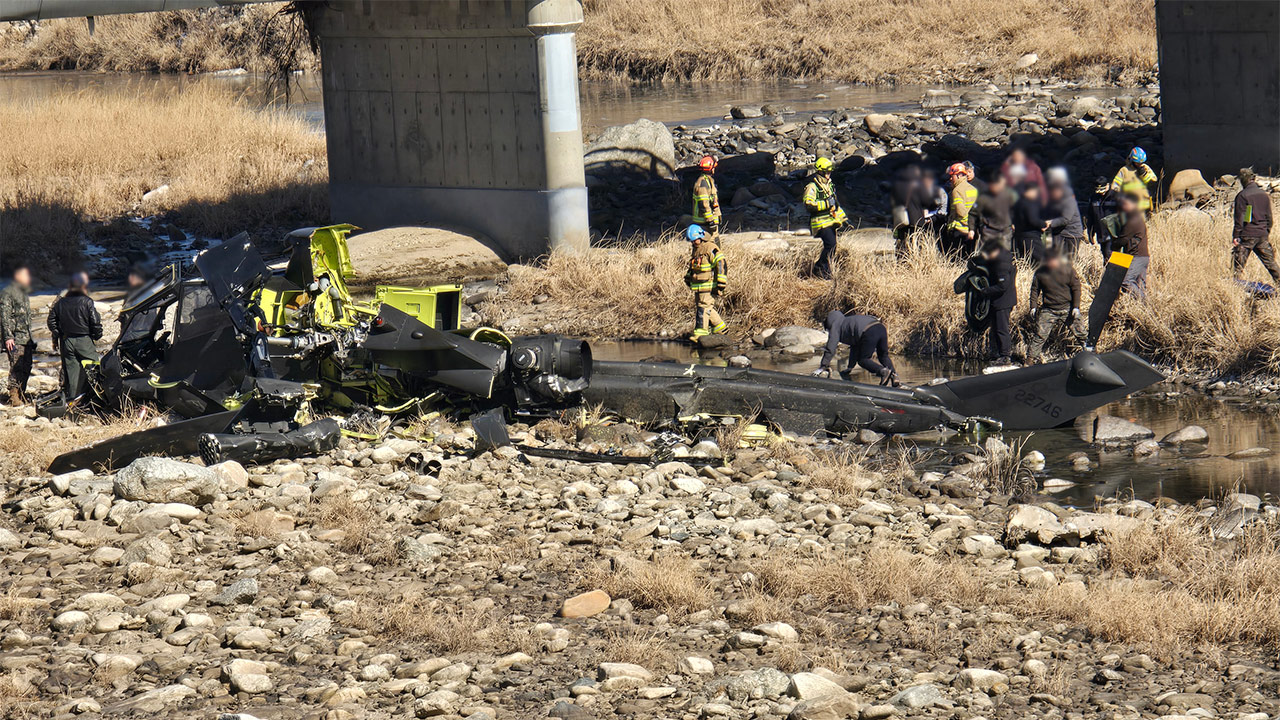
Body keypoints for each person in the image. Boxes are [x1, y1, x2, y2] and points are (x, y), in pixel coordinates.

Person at [47, 272, 102, 401]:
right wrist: (97, 335)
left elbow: (51, 321)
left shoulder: (60, 303)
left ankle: (73, 401)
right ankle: (97, 398)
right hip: (84, 340)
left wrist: (59, 333)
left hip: (67, 341)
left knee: (72, 373)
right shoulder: (87, 301)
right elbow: (95, 322)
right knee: (94, 368)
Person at [1025, 251, 1086, 363]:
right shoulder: (1040, 273)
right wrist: (1033, 306)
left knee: (1081, 333)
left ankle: (1092, 353)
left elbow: (1076, 288)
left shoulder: (1068, 270)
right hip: (1048, 310)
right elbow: (1035, 289)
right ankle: (1030, 360)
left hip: (1067, 308)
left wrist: (1076, 307)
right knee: (1040, 335)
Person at [811, 311, 898, 386]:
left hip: (869, 331)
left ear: (829, 323)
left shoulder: (835, 326)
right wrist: (850, 367)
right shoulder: (847, 322)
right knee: (883, 356)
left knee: (863, 360)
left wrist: (822, 366)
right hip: (880, 328)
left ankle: (882, 371)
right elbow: (855, 347)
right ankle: (895, 377)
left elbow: (830, 348)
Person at [1231, 167, 1278, 283]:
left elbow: (1240, 218)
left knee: (1237, 266)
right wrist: (1266, 232)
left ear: (1243, 180)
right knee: (1271, 264)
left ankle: (1235, 286)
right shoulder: (1264, 195)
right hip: (1262, 234)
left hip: (1247, 235)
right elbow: (1269, 218)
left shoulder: (1242, 195)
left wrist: (1236, 235)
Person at [803, 157, 847, 278]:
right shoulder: (812, 187)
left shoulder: (830, 185)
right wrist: (826, 204)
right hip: (819, 223)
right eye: (826, 172)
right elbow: (808, 205)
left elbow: (836, 205)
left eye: (830, 172)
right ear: (820, 172)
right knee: (830, 244)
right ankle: (820, 268)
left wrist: (844, 219)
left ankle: (824, 269)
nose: (828, 174)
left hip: (830, 221)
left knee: (833, 247)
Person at [683, 224, 728, 339]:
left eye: (695, 240)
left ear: (701, 237)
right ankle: (721, 328)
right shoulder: (697, 249)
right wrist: (688, 277)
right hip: (698, 286)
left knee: (703, 308)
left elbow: (721, 262)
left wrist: (721, 282)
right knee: (706, 307)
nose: (693, 243)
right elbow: (694, 267)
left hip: (707, 285)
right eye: (691, 241)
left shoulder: (710, 247)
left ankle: (701, 333)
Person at [1, 265, 35, 406]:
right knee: (16, 366)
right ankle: (14, 396)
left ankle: (22, 393)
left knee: (27, 366)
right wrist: (8, 337)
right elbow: (4, 316)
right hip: (15, 339)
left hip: (26, 337)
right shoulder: (7, 292)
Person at [979, 239, 1017, 364]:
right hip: (1002, 300)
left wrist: (985, 291)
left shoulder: (1001, 264)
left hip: (1003, 302)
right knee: (995, 328)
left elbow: (1002, 286)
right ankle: (997, 354)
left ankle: (1005, 356)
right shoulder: (1003, 258)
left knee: (1001, 329)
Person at [1115, 193, 1150, 297]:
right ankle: (1144, 305)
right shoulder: (1137, 217)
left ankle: (1143, 301)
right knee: (1140, 284)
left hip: (1137, 256)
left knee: (1126, 281)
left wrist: (1113, 245)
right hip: (1143, 256)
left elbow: (1123, 239)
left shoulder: (1132, 220)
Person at [1044, 177, 1086, 259]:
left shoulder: (1069, 201)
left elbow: (1065, 219)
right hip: (1059, 232)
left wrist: (1050, 223)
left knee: (1070, 258)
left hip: (1072, 234)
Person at [974, 169, 1017, 250]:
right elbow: (974, 213)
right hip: (988, 232)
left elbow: (1016, 210)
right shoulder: (983, 198)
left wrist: (1014, 223)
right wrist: (972, 228)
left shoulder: (1010, 195)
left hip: (1005, 231)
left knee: (1004, 253)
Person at [944, 162, 978, 256]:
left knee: (956, 258)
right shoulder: (973, 189)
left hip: (959, 230)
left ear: (959, 175)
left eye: (952, 176)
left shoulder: (956, 191)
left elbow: (961, 212)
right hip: (972, 231)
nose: (950, 179)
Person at [1110, 147, 1158, 213]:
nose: (1140, 164)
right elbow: (1115, 186)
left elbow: (1153, 182)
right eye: (1137, 163)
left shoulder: (1146, 168)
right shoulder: (1124, 170)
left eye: (1141, 162)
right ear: (1132, 160)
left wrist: (1144, 175)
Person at [1011, 184, 1047, 261]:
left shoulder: (1018, 203)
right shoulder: (1029, 204)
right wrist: (1044, 224)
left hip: (1019, 235)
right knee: (1041, 260)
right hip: (1031, 237)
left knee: (1024, 260)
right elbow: (1033, 220)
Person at [692, 155, 722, 237]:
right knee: (711, 243)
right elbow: (703, 204)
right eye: (713, 167)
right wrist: (710, 221)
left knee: (715, 241)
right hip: (705, 223)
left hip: (708, 222)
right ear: (710, 168)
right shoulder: (703, 183)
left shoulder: (707, 180)